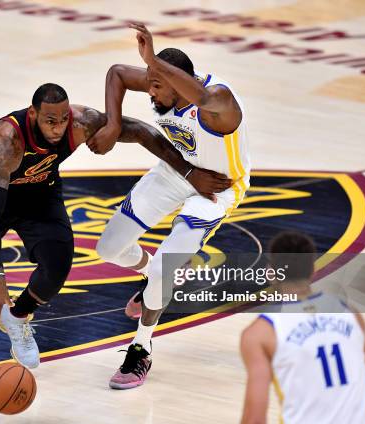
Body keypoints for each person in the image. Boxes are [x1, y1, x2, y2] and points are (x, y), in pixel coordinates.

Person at [0, 83, 232, 373]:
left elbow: (140, 131)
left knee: (59, 262)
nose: (58, 128)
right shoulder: (8, 139)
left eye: (63, 119)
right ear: (32, 115)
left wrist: (187, 171)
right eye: (50, 121)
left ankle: (18, 317)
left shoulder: (79, 123)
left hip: (38, 196)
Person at [89, 23, 250, 389]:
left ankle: (140, 348)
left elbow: (206, 98)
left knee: (166, 268)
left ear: (178, 84)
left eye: (156, 84)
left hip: (216, 189)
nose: (150, 90)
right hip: (176, 171)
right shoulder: (158, 82)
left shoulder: (218, 103)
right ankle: (152, 276)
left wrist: (152, 61)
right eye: (149, 81)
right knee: (108, 249)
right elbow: (116, 73)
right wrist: (114, 123)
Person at [240, 231, 365, 424]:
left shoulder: (260, 333)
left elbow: (254, 420)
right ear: (313, 269)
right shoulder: (349, 312)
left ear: (271, 272)